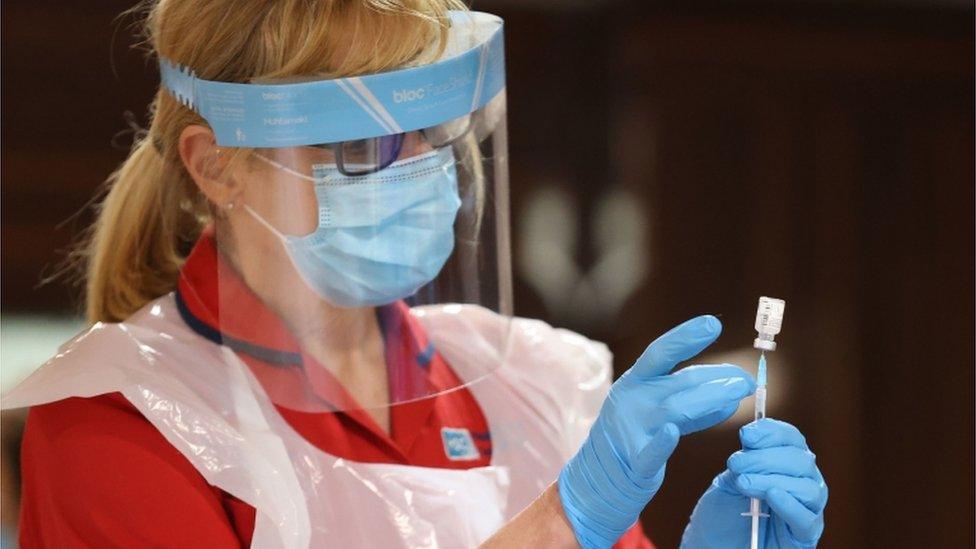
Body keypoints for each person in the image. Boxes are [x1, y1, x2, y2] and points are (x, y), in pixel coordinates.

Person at [3, 1, 827, 547]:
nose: (422, 170)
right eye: (362, 147)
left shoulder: (524, 386)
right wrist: (559, 524)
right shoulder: (123, 420)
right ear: (217, 166)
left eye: (437, 133)